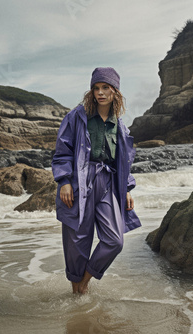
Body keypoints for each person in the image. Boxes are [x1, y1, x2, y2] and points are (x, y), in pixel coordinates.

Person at [52, 67, 141, 294]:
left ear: (115, 92)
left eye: (105, 88)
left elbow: (123, 161)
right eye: (96, 88)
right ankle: (76, 292)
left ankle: (85, 280)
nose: (100, 93)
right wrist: (64, 181)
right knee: (77, 242)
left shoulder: (119, 125)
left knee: (114, 240)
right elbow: (63, 150)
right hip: (79, 181)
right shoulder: (77, 117)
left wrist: (127, 188)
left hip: (107, 183)